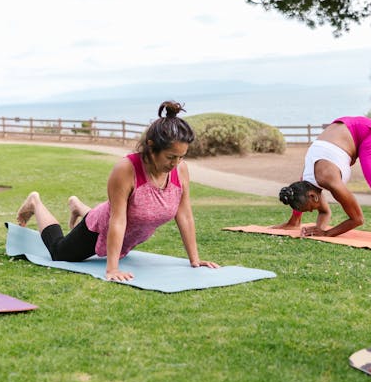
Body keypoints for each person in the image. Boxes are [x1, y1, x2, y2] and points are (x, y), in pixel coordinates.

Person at [14, 101, 220, 281]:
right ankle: (36, 203)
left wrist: (195, 260)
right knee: (59, 252)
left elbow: (184, 214)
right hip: (101, 227)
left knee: (108, 214)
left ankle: (78, 206)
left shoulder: (180, 170)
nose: (176, 163)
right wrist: (112, 268)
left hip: (123, 226)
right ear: (151, 146)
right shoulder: (126, 169)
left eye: (181, 157)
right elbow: (118, 219)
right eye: (170, 157)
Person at [276, 116, 371, 246]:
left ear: (313, 196)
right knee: (301, 197)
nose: (311, 211)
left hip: (366, 131)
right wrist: (308, 226)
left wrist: (327, 233)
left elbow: (357, 219)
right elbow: (323, 210)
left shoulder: (330, 180)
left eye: (309, 209)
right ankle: (293, 222)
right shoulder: (304, 183)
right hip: (340, 132)